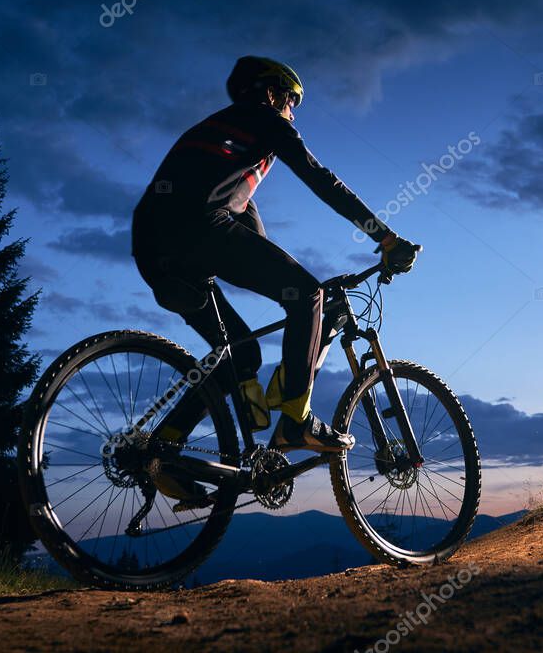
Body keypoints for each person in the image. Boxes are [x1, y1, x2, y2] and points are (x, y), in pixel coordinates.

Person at [131, 56, 418, 504]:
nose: (293, 110)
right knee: (306, 295)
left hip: (152, 246)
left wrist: (295, 287)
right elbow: (322, 179)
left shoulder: (227, 154)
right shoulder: (262, 120)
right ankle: (296, 420)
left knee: (240, 354)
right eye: (291, 99)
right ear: (269, 93)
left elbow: (256, 244)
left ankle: (162, 452)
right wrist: (385, 237)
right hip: (198, 227)